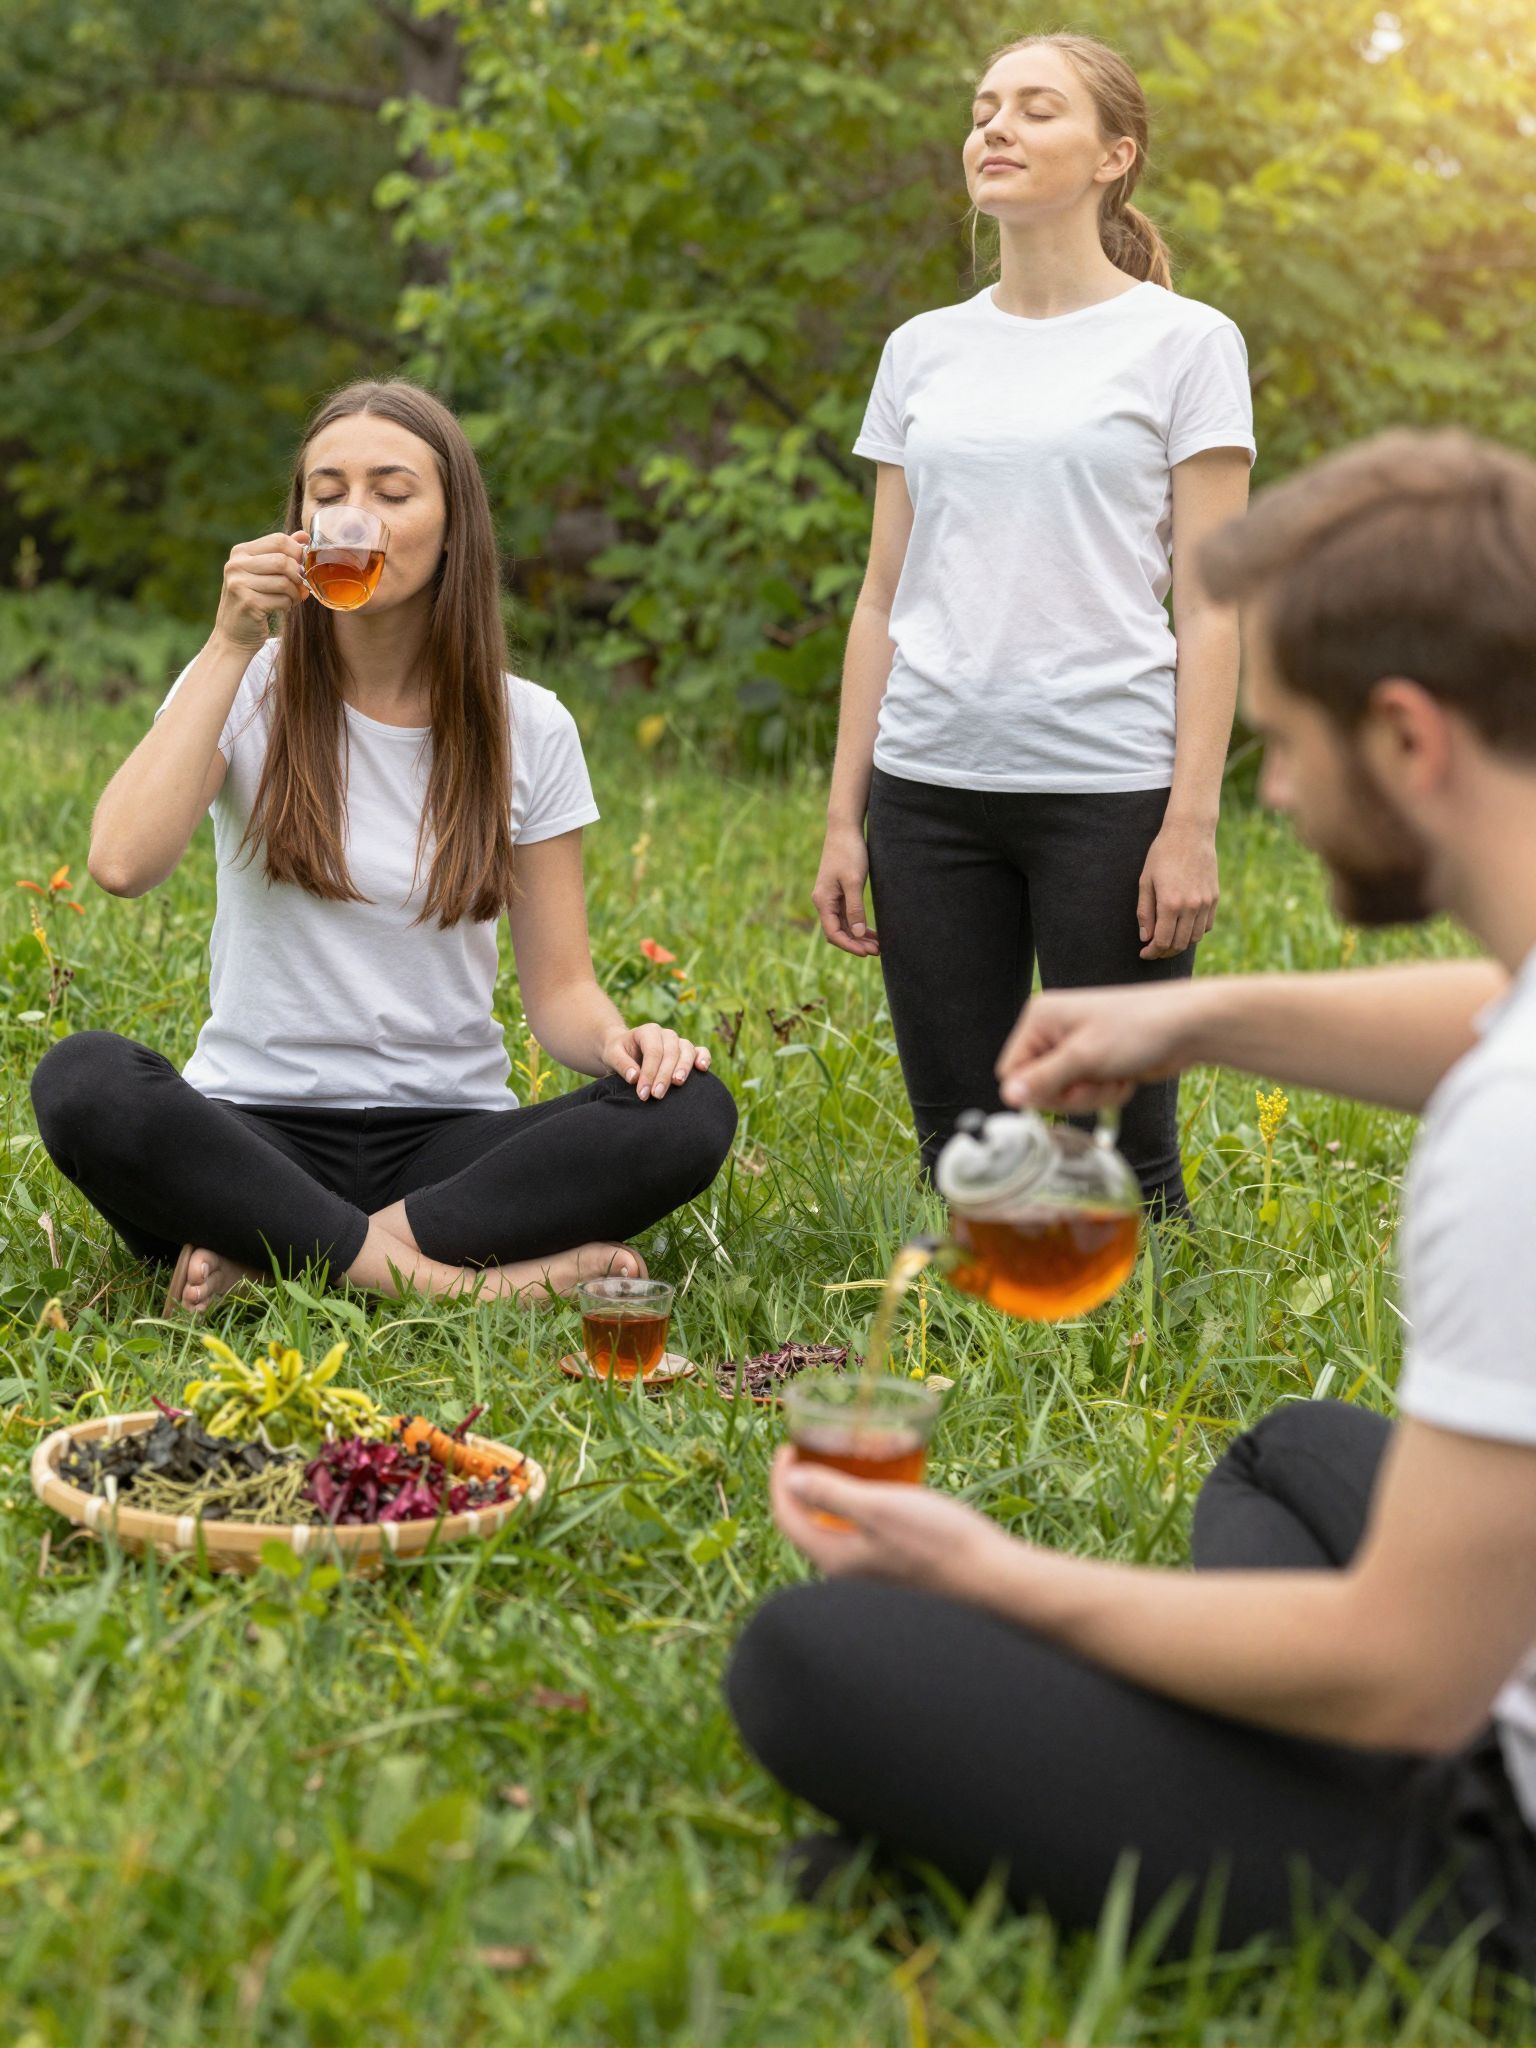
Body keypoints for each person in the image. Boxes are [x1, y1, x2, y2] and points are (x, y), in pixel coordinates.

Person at [729, 428, 1536, 1975]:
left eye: (1286, 744)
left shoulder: (1510, 1139)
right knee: (1288, 1455)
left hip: (1497, 1821)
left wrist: (988, 1572)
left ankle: (1295, 1835)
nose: (1280, 792)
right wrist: (1180, 1016)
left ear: (1413, 738)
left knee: (814, 1658)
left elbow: (1408, 1676)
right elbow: (1493, 1015)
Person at [30, 379, 736, 1314]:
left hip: (449, 1141)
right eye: (327, 492)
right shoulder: (246, 684)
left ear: (454, 527)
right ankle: (453, 1288)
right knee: (85, 1083)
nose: (351, 516)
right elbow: (121, 864)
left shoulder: (531, 725)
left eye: (391, 493)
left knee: (692, 1110)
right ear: (298, 523)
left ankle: (282, 1254)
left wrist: (624, 1042)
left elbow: (560, 989)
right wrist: (230, 641)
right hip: (254, 1129)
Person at [812, 32, 1254, 1218]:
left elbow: (1214, 603)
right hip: (929, 787)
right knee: (967, 1163)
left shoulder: (1186, 343)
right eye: (984, 107)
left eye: (1035, 109)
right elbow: (880, 596)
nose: (995, 128)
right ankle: (986, 1377)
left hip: (1108, 795)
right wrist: (846, 814)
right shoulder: (924, 350)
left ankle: (1135, 1391)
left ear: (1116, 155)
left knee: (1117, 1166)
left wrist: (1190, 823)